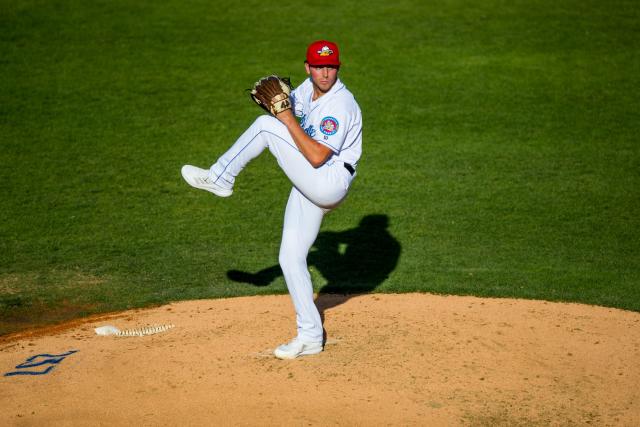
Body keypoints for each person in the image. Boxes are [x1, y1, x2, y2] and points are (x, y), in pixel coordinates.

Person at [181, 40, 362, 359]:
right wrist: (281, 107)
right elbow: (293, 119)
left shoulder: (342, 104)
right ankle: (309, 336)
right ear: (307, 68)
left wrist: (282, 116)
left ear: (338, 68)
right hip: (310, 183)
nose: (324, 72)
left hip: (329, 180)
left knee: (266, 127)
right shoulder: (306, 89)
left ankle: (221, 176)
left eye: (330, 66)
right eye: (318, 66)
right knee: (290, 258)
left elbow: (318, 155)